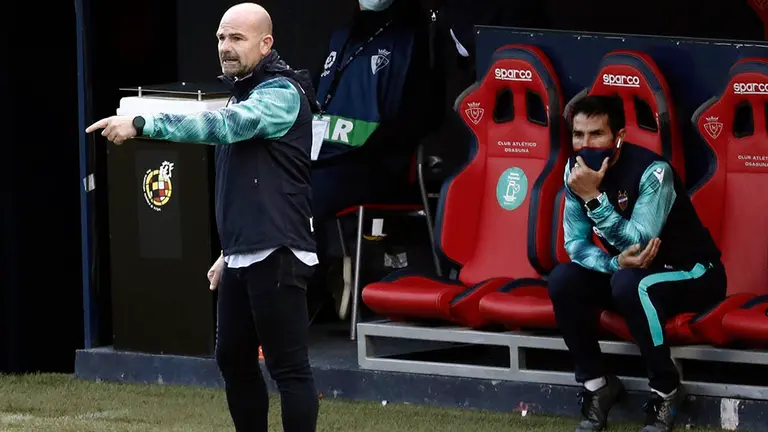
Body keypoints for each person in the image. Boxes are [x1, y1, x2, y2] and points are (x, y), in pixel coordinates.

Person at [86, 3, 320, 431]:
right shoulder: (244, 91)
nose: (225, 47)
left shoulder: (281, 93)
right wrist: (229, 252)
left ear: (266, 44)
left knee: (288, 368)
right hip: (243, 253)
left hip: (279, 251)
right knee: (233, 358)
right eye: (220, 38)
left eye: (237, 38)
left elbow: (224, 126)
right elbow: (250, 185)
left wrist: (143, 122)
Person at [549, 95, 726, 432]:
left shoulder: (653, 172)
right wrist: (613, 262)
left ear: (619, 136)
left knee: (631, 283)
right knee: (563, 280)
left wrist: (593, 198)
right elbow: (575, 245)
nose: (585, 144)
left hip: (693, 273)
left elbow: (640, 243)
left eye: (596, 134)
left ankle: (666, 390)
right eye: (578, 135)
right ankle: (597, 386)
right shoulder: (575, 172)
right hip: (632, 272)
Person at [310, 0, 442, 319]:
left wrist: (365, 144)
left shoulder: (416, 38)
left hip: (380, 166)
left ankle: (309, 294)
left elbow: (424, 116)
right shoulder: (341, 37)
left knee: (305, 195)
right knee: (275, 183)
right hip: (326, 157)